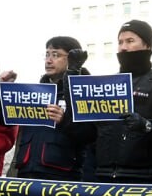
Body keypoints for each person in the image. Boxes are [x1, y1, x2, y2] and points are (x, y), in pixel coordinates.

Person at [93, 20, 152, 183]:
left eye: (130, 41)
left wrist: (146, 125)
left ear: (147, 45)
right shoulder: (105, 85)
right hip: (102, 177)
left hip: (142, 178)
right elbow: (87, 132)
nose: (123, 47)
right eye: (120, 42)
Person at [12, 37, 97, 181]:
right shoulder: (33, 93)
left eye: (56, 55)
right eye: (47, 54)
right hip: (26, 172)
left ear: (72, 58)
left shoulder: (85, 90)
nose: (49, 60)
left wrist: (64, 121)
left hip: (62, 175)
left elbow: (90, 134)